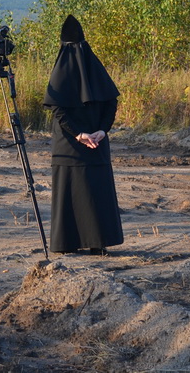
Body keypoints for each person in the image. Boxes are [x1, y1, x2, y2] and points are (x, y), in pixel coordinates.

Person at [43, 15, 123, 254]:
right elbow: (111, 103)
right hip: (96, 144)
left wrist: (79, 135)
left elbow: (57, 107)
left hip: (70, 146)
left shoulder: (62, 67)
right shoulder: (95, 66)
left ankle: (66, 244)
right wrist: (101, 132)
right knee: (96, 194)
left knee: (70, 194)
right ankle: (98, 244)